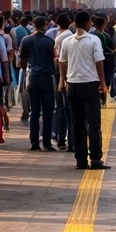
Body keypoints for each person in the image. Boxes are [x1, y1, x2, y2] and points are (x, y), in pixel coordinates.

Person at [58, 11, 109, 170]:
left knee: (77, 123)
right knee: (93, 124)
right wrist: (103, 83)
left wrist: (61, 81)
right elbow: (99, 62)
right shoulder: (94, 40)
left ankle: (81, 160)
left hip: (72, 86)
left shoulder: (67, 41)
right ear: (87, 23)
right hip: (89, 85)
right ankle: (95, 159)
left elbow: (61, 62)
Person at [20, 17, 56, 151]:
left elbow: (22, 60)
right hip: (46, 77)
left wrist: (27, 71)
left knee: (34, 111)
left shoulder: (25, 40)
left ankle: (34, 142)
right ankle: (46, 142)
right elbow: (53, 60)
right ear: (45, 25)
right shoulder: (50, 41)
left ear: (33, 25)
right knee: (47, 111)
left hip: (32, 77)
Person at [49, 13, 70, 152]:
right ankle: (68, 139)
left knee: (60, 108)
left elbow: (57, 59)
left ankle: (60, 137)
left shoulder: (59, 37)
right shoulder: (69, 36)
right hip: (67, 76)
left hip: (60, 76)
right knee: (68, 109)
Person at [96, 15, 116, 108]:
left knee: (99, 80)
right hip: (106, 61)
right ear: (102, 25)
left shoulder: (93, 35)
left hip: (97, 62)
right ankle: (103, 99)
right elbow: (111, 48)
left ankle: (101, 98)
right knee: (105, 80)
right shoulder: (104, 36)